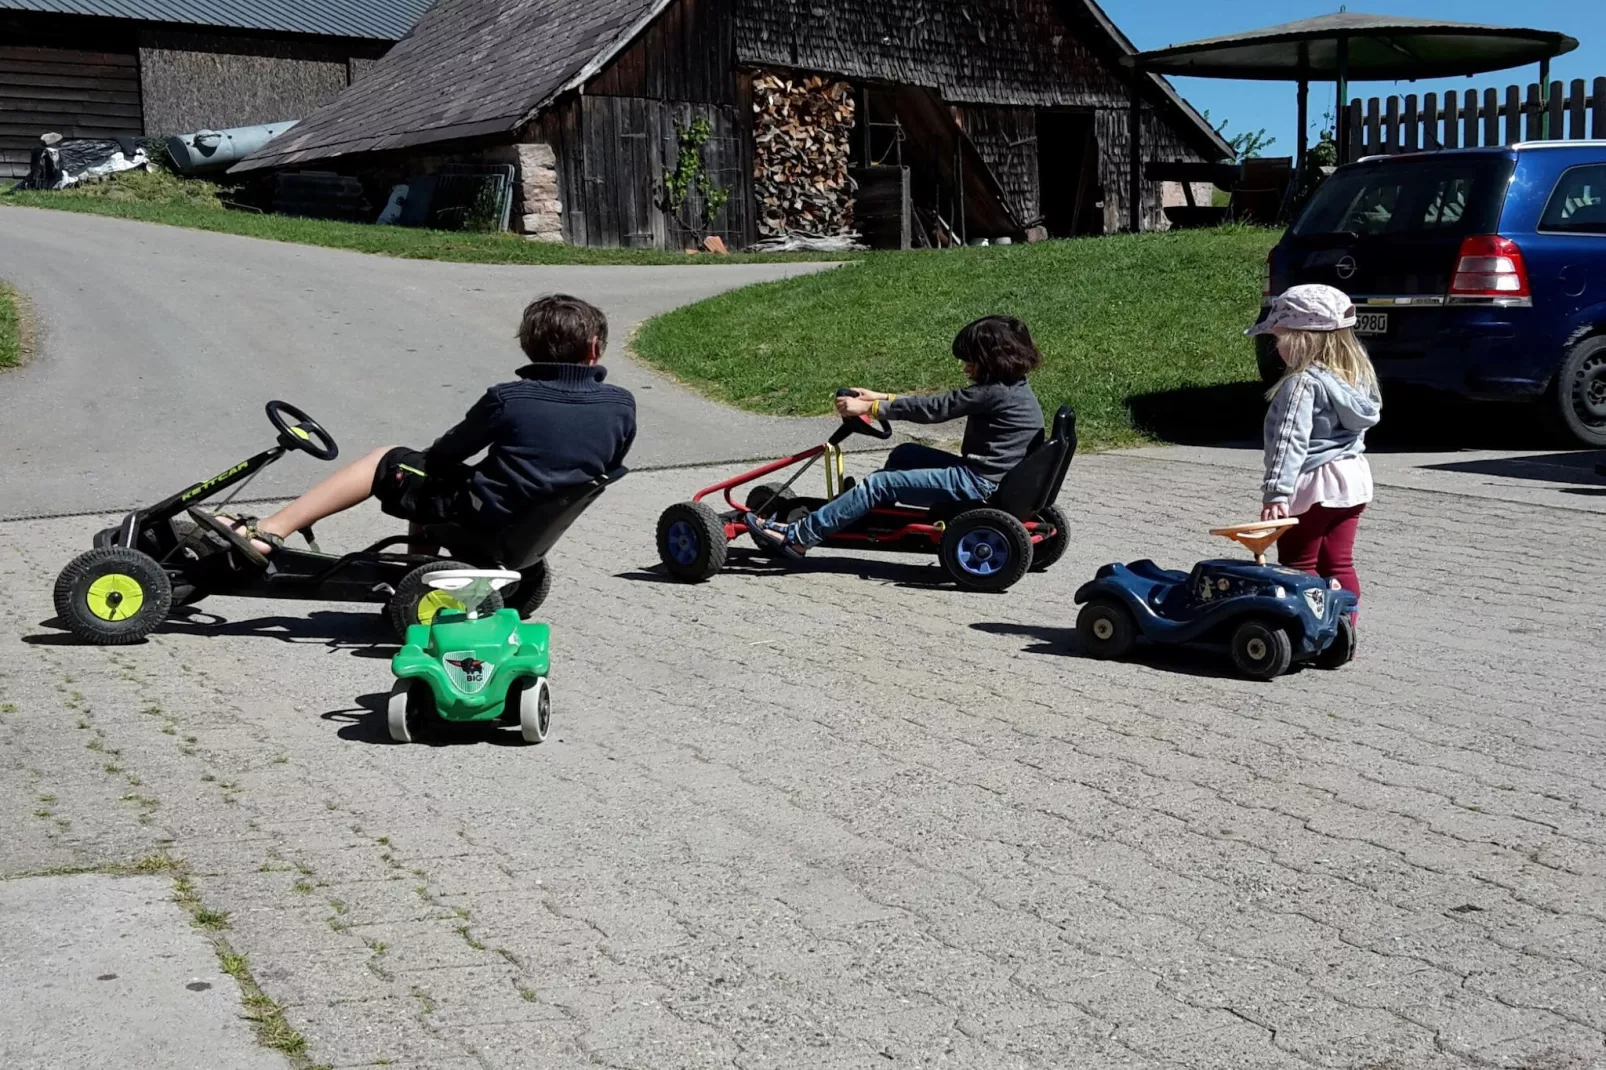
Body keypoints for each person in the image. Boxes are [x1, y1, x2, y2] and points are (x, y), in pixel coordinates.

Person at [196, 294, 635, 564]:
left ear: (529, 347)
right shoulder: (621, 404)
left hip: (487, 521)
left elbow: (446, 453)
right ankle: (418, 570)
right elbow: (607, 463)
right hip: (534, 528)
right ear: (594, 349)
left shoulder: (510, 399)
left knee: (392, 461)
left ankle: (270, 531)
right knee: (436, 481)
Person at [746, 314, 1045, 560]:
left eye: (971, 360)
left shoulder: (992, 392)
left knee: (879, 483)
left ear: (991, 360)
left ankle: (800, 536)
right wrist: (881, 397)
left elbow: (936, 410)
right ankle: (864, 515)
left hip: (978, 484)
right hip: (995, 477)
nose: (965, 366)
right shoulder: (1012, 387)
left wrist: (871, 407)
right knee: (905, 455)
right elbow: (940, 403)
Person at [1250, 283, 1382, 611]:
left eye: (1279, 338)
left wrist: (1277, 493)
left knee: (1298, 563)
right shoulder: (1357, 376)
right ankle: (1341, 629)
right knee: (1338, 564)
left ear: (1300, 339)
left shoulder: (1301, 385)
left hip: (1312, 485)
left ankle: (1307, 633)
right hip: (1352, 481)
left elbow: (1289, 441)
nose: (1276, 346)